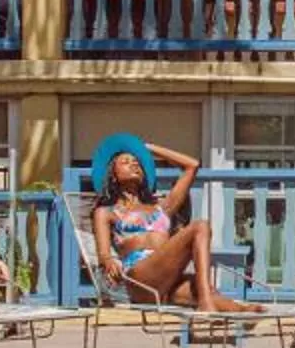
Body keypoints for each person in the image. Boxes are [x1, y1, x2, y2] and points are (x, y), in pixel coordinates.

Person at [86, 131, 250, 312]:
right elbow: (103, 255)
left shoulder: (162, 208)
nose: (134, 166)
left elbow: (192, 165)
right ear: (113, 175)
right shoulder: (106, 212)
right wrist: (109, 262)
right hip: (139, 281)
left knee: (213, 294)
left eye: (137, 163)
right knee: (200, 226)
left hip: (166, 283)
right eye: (126, 162)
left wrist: (146, 148)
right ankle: (206, 304)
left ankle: (244, 311)